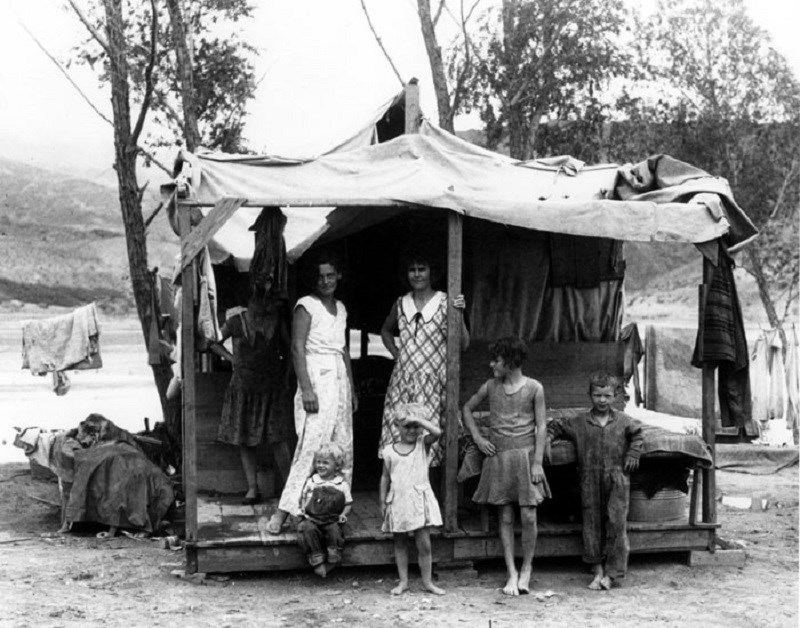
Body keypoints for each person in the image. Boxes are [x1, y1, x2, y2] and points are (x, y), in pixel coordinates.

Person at [266, 253, 357, 534]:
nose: (326, 281)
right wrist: (306, 388)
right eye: (320, 276)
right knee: (311, 448)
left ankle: (333, 512)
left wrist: (351, 389)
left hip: (339, 380)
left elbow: (343, 351)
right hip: (316, 379)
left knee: (342, 446)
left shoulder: (341, 308)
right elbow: (296, 348)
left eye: (330, 275)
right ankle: (283, 512)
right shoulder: (306, 306)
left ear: (338, 276)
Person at [462, 337, 550, 596]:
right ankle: (511, 572)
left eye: (496, 360)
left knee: (529, 515)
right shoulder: (490, 386)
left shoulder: (534, 387)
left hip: (525, 458)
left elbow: (542, 426)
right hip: (499, 457)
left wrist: (537, 462)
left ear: (510, 363)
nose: (492, 364)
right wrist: (479, 439)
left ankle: (527, 568)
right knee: (506, 516)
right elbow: (466, 409)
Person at [546, 372, 644, 590]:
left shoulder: (623, 421)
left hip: (617, 478)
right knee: (591, 523)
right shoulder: (580, 422)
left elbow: (638, 434)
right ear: (589, 395)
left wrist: (633, 454)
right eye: (597, 395)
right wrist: (548, 438)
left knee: (617, 524)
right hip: (589, 478)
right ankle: (597, 569)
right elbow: (556, 426)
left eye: (607, 396)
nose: (602, 401)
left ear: (615, 396)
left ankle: (613, 573)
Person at [379, 250, 469, 471]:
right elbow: (386, 331)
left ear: (432, 272)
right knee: (400, 438)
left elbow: (463, 344)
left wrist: (460, 313)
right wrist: (397, 355)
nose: (417, 274)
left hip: (433, 383)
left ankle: (428, 498)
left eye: (422, 269)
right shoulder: (401, 303)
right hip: (403, 384)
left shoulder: (445, 301)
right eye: (412, 270)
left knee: (429, 441)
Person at [211, 285, 292, 505]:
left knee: (278, 438)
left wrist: (285, 378)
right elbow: (213, 342)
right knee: (244, 437)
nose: (262, 305)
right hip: (243, 388)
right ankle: (252, 488)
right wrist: (230, 358)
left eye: (266, 300)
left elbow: (290, 350)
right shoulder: (235, 321)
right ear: (249, 300)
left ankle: (290, 488)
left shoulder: (276, 321)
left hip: (271, 388)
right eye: (258, 300)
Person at [380, 406, 445, 596]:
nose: (411, 431)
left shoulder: (422, 444)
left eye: (416, 427)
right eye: (407, 426)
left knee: (424, 544)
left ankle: (427, 582)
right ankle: (403, 582)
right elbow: (385, 477)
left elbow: (437, 432)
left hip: (418, 501)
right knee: (400, 542)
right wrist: (382, 502)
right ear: (397, 427)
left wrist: (417, 419)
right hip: (398, 501)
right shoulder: (389, 451)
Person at [296, 442, 352, 578]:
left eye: (325, 463)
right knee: (307, 529)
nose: (320, 465)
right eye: (318, 462)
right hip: (313, 517)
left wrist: (343, 514)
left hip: (331, 518)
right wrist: (303, 509)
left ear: (337, 466)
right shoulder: (312, 481)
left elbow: (348, 503)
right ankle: (317, 560)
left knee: (335, 532)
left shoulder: (341, 484)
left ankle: (333, 559)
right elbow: (304, 498)